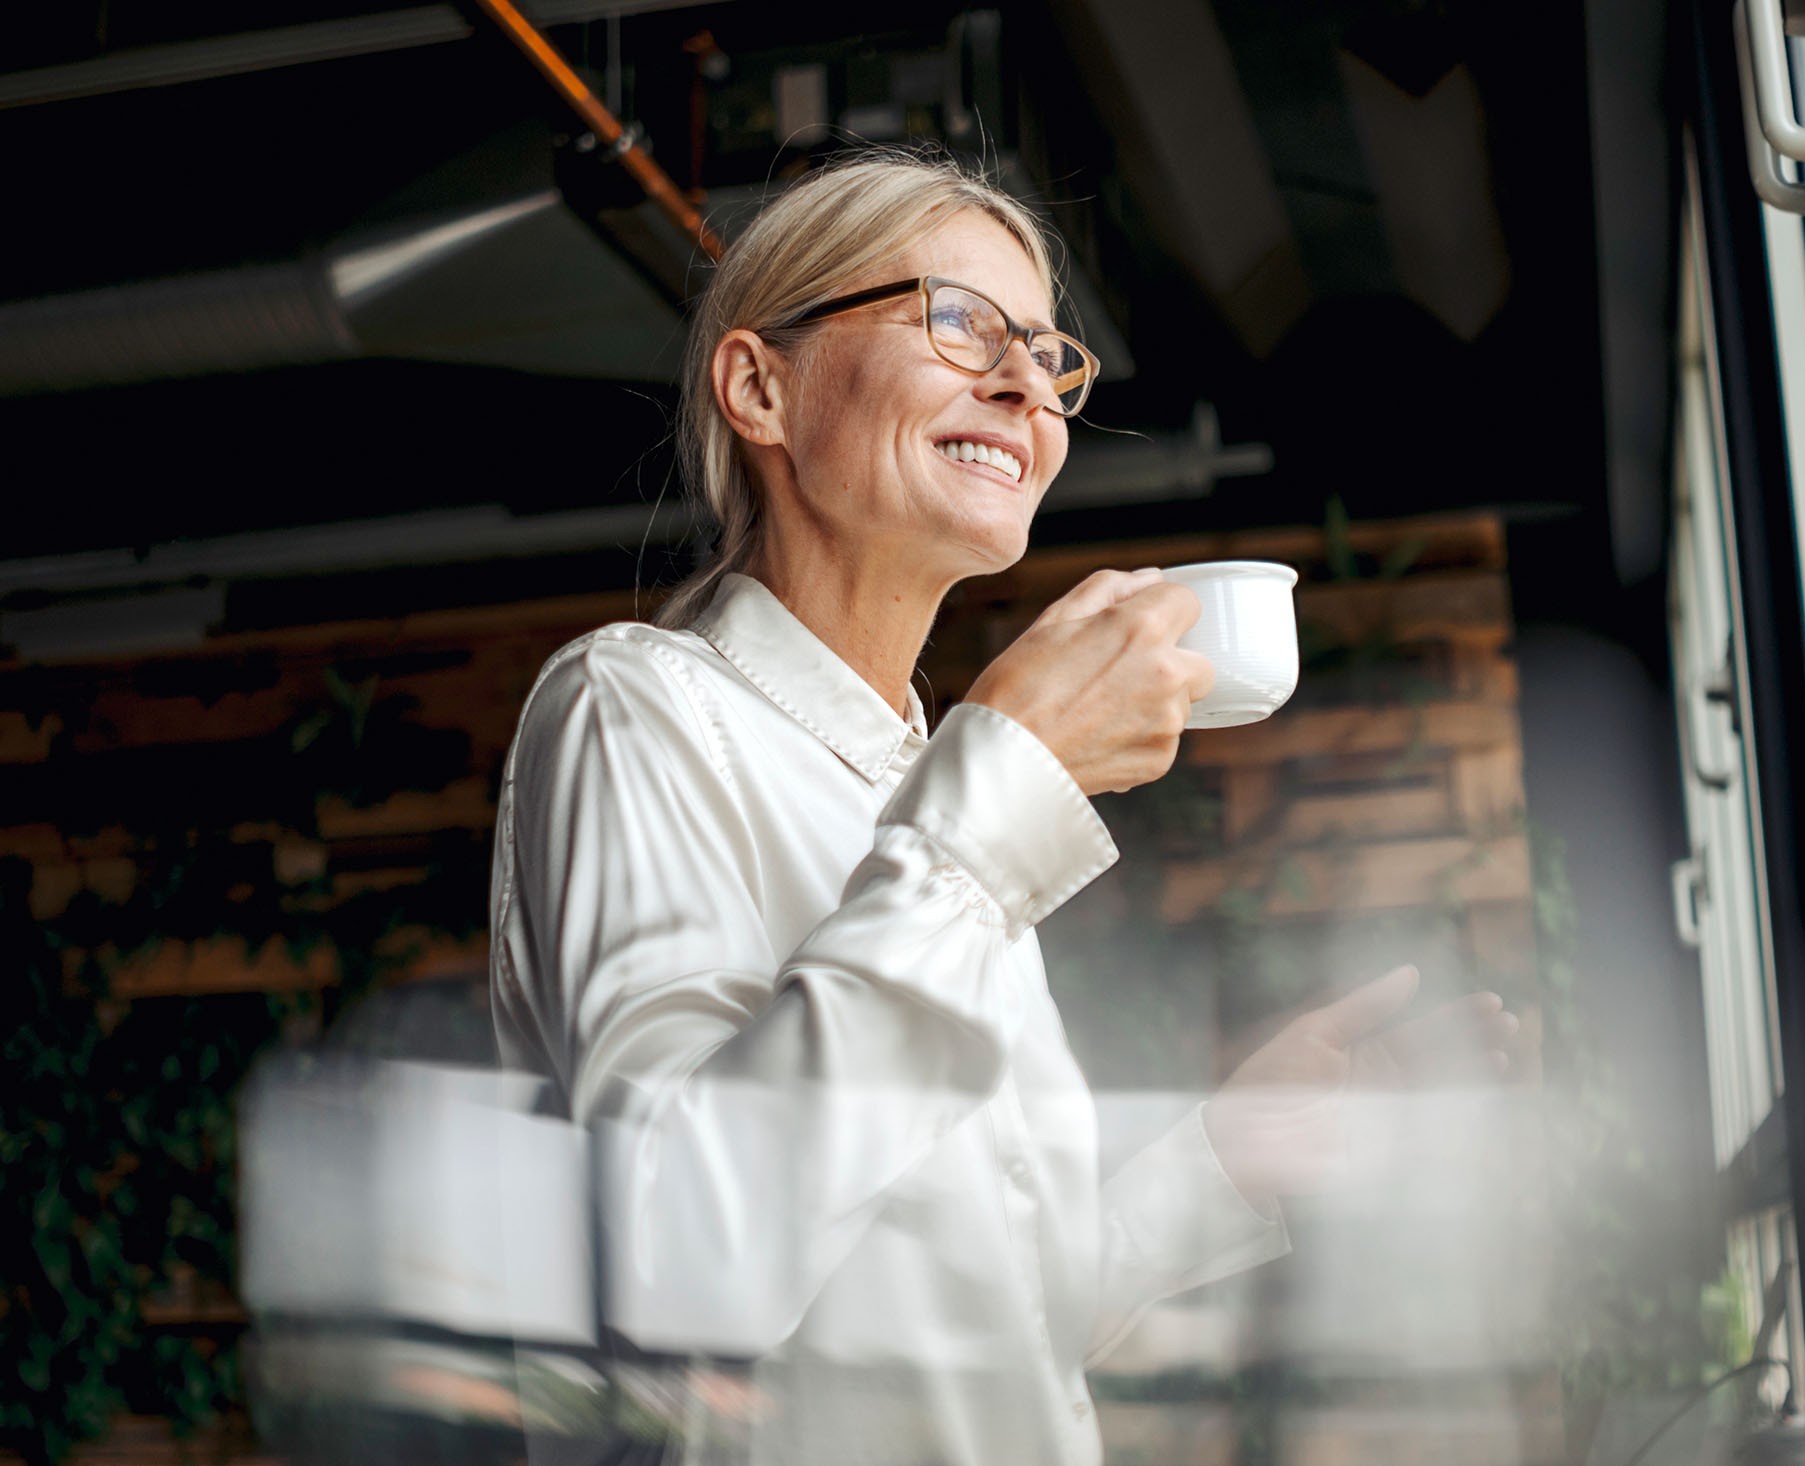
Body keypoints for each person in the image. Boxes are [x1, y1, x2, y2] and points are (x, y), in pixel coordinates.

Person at [490, 149, 1515, 1464]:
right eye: (958, 320)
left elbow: (977, 1318)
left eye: (1048, 352)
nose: (1029, 381)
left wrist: (1231, 1153)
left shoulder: (936, 784)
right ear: (761, 385)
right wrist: (1000, 799)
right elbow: (686, 1259)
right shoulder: (634, 709)